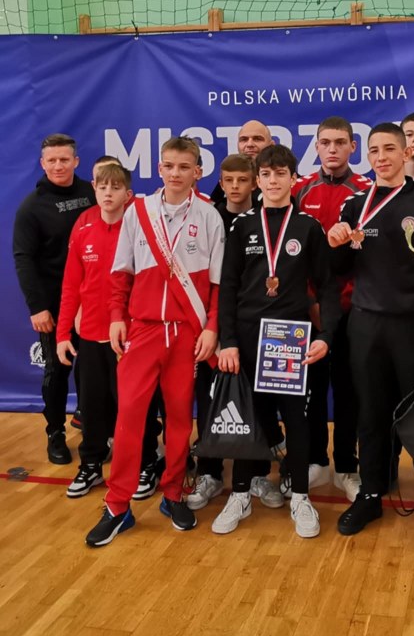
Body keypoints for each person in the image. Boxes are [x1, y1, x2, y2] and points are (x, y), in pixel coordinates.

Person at [85, 136, 224, 547]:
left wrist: (212, 327)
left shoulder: (210, 216)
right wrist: (116, 317)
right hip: (143, 330)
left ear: (198, 171)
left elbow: (219, 284)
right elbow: (121, 273)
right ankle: (117, 505)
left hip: (187, 335)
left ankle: (173, 493)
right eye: (169, 166)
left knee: (180, 420)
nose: (175, 173)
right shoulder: (138, 211)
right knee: (129, 418)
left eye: (184, 166)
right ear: (159, 168)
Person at [326, 122, 414, 544]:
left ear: (406, 154)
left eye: (389, 149)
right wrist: (335, 244)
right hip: (366, 325)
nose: (381, 157)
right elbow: (339, 271)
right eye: (374, 150)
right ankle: (370, 491)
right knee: (370, 413)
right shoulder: (354, 205)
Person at [214, 144, 339, 538]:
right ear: (257, 180)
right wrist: (228, 341)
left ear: (293, 178)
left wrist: (326, 336)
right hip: (247, 336)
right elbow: (228, 287)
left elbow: (328, 287)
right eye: (265, 175)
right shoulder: (241, 225)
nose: (272, 181)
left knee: (296, 419)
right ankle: (240, 493)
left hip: (290, 337)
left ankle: (300, 496)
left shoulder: (308, 227)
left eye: (280, 174)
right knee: (247, 418)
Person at [55, 164, 161, 498]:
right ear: (94, 189)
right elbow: (71, 285)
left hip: (131, 337)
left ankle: (146, 463)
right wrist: (62, 334)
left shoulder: (140, 229)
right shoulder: (83, 227)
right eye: (102, 187)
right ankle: (91, 464)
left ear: (128, 195)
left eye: (115, 188)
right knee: (92, 405)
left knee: (135, 406)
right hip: (90, 335)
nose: (108, 193)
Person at [188, 153, 285, 511]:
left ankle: (258, 473)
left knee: (258, 401)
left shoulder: (267, 217)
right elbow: (215, 280)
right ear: (220, 182)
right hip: (213, 323)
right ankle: (209, 472)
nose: (234, 187)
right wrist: (213, 326)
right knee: (210, 398)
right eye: (228, 180)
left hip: (256, 323)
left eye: (242, 180)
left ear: (254, 182)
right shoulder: (208, 216)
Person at [292, 116, 373, 501]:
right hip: (309, 310)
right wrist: (309, 302)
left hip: (353, 308)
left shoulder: (367, 191)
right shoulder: (299, 189)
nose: (333, 149)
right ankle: (315, 461)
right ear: (317, 146)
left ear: (353, 147)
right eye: (326, 142)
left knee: (349, 391)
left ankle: (345, 466)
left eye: (341, 142)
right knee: (310, 389)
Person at [12, 133, 95, 464]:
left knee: (92, 370)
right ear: (42, 163)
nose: (58, 165)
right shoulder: (32, 207)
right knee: (57, 370)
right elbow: (23, 259)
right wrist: (38, 307)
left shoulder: (92, 193)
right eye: (52, 160)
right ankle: (55, 433)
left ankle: (94, 428)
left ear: (76, 161)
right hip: (56, 305)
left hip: (94, 303)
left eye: (64, 159)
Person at [208, 119, 275, 204]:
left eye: (257, 139)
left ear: (271, 145)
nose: (249, 144)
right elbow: (212, 209)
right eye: (244, 139)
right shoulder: (230, 178)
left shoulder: (282, 179)